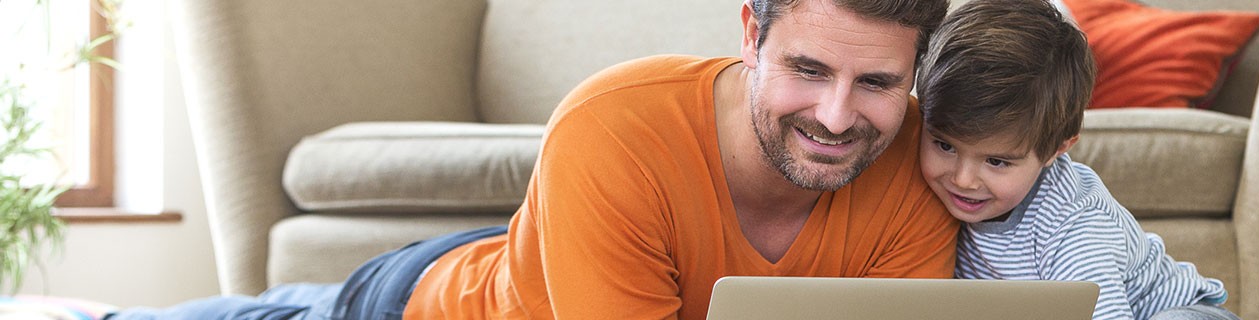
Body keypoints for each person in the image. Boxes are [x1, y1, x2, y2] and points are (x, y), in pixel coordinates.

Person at [109, 0, 955, 319]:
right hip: (435, 303)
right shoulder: (617, 125)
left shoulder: (920, 162)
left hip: (557, 259)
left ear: (913, 76)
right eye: (808, 69)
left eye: (876, 82)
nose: (838, 117)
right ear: (750, 37)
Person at [913, 0, 1239, 319]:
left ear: (1057, 149)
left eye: (997, 162)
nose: (963, 179)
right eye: (945, 146)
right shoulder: (921, 182)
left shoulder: (1074, 223)